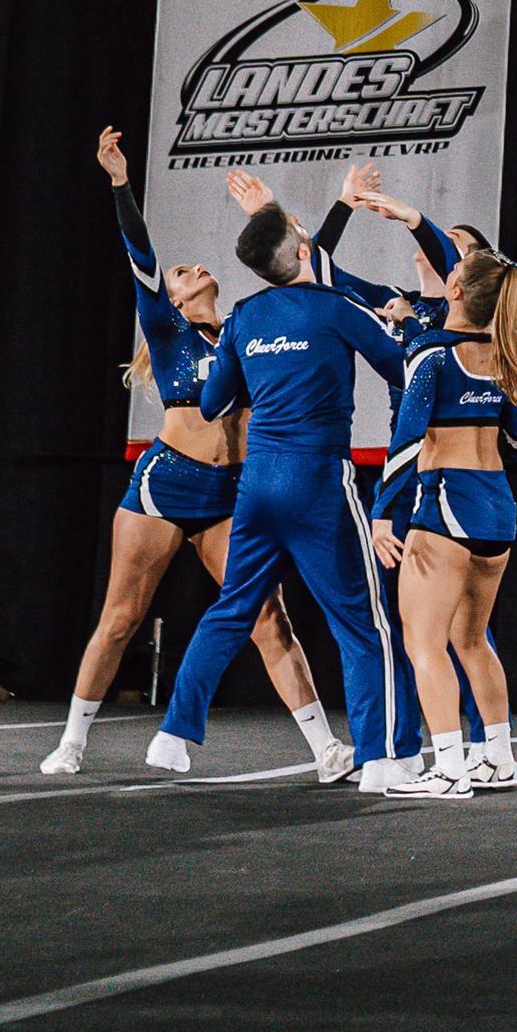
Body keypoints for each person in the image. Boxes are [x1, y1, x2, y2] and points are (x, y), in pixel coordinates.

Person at [46, 131, 348, 777]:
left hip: (227, 494)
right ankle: (72, 740)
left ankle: (326, 748)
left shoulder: (245, 324)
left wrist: (325, 215)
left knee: (269, 616)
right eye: (183, 274)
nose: (196, 271)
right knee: (121, 618)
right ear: (175, 297)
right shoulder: (166, 326)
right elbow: (140, 251)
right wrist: (120, 183)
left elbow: (305, 272)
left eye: (193, 268)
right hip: (164, 487)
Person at [149, 185, 413, 783]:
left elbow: (213, 404)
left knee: (231, 608)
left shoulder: (244, 317)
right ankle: (379, 762)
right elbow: (402, 365)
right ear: (300, 252)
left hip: (258, 487)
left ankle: (172, 734)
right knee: (362, 623)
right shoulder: (334, 306)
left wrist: (253, 365)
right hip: (318, 480)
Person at [367, 245, 517, 798]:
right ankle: (499, 760)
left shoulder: (433, 356)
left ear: (456, 293)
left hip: (445, 506)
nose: (446, 274)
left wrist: (382, 513)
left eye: (451, 272)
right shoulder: (502, 358)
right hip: (498, 511)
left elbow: (406, 439)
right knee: (472, 637)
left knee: (425, 642)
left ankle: (450, 768)